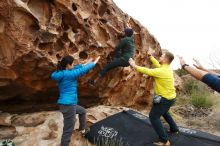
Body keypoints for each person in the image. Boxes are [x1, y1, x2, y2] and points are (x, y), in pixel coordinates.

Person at [129, 51, 179, 146]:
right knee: (164, 112)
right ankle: (174, 129)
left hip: (164, 99)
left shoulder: (161, 71)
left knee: (153, 116)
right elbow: (157, 64)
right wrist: (151, 57)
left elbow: (147, 71)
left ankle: (164, 141)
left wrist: (133, 65)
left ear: (165, 60)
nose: (160, 57)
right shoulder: (167, 68)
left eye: (162, 56)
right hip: (171, 98)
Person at [51, 55, 100, 146]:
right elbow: (82, 71)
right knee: (68, 130)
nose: (74, 65)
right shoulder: (69, 74)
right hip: (69, 105)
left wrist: (88, 61)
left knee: (82, 111)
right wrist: (94, 62)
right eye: (72, 64)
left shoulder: (61, 72)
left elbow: (78, 67)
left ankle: (82, 129)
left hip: (65, 104)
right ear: (68, 65)